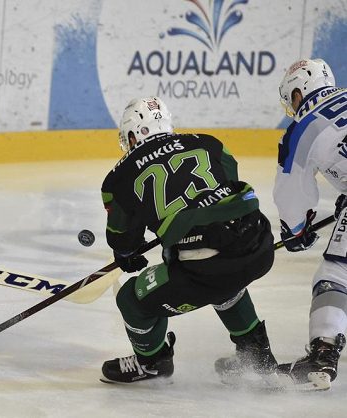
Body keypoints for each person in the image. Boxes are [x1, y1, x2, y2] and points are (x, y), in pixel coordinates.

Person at [99, 96, 277, 385]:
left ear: (132, 134)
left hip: (205, 269)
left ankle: (152, 361)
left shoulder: (117, 178)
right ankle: (256, 351)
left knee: (131, 299)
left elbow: (122, 239)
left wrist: (127, 254)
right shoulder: (210, 143)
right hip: (258, 243)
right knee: (223, 269)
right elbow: (228, 181)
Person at [273, 58, 347, 387]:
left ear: (299, 93)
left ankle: (323, 353)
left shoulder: (304, 126)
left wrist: (295, 230)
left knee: (335, 273)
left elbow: (291, 192)